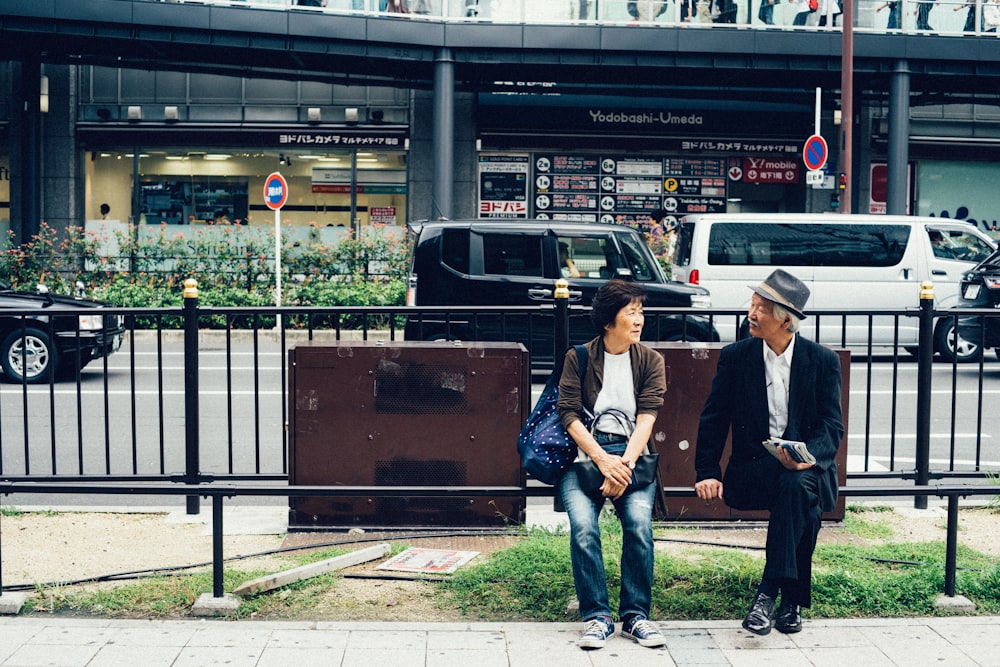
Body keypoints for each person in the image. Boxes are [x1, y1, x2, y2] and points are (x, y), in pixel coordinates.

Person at [694, 269, 844, 636]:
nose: (752, 313)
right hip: (753, 472)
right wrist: (707, 470)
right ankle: (789, 601)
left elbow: (832, 425)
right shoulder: (737, 357)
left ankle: (768, 596)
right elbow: (714, 417)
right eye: (753, 304)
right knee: (798, 495)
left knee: (797, 487)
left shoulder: (821, 361)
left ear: (786, 320)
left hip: (804, 471)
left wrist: (807, 455)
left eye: (761, 308)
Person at [557, 280, 667, 651]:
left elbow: (648, 418)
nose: (639, 319)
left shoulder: (651, 360)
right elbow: (568, 414)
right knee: (584, 527)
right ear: (608, 321)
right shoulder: (580, 358)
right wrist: (603, 461)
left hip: (632, 457)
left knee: (638, 524)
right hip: (585, 457)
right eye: (630, 312)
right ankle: (597, 616)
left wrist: (624, 465)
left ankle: (635, 615)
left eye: (640, 311)